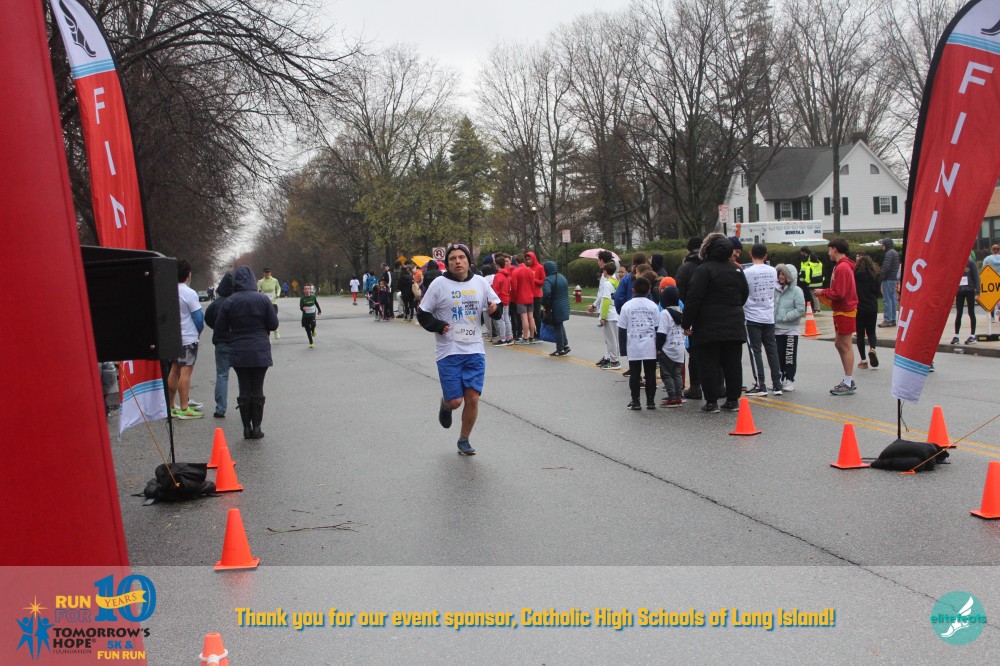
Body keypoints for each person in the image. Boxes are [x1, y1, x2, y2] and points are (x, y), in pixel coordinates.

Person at [417, 243, 501, 455]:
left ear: (468, 261)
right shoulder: (439, 284)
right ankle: (445, 405)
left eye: (461, 257)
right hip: (448, 351)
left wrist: (494, 310)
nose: (457, 261)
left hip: (475, 350)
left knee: (472, 398)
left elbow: (496, 306)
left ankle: (464, 440)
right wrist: (438, 325)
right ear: (447, 263)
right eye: (452, 258)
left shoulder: (480, 282)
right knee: (456, 401)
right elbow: (423, 313)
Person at [681, 234, 749, 413]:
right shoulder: (736, 270)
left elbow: (694, 298)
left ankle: (711, 401)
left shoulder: (704, 270)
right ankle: (732, 399)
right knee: (733, 363)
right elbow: (744, 294)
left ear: (707, 250)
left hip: (708, 325)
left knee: (709, 363)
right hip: (734, 323)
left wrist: (686, 323)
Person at [216, 266, 279, 439]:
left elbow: (220, 328)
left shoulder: (230, 301)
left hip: (239, 349)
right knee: (257, 387)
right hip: (260, 349)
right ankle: (257, 427)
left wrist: (232, 336)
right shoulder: (263, 299)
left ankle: (246, 428)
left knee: (244, 387)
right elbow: (273, 324)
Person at [814, 238, 858, 396]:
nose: (828, 253)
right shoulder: (841, 266)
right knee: (839, 344)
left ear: (835, 249)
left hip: (845, 310)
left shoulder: (842, 267)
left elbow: (840, 293)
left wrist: (823, 292)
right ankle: (848, 379)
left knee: (845, 345)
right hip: (841, 310)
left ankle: (848, 381)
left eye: (829, 249)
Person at [743, 243, 783, 397]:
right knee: (772, 350)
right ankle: (777, 384)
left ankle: (761, 385)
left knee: (756, 351)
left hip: (752, 315)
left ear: (750, 254)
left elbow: (743, 291)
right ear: (766, 256)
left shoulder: (747, 272)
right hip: (768, 315)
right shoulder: (772, 271)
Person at [167, 259, 205, 419]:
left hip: (173, 336)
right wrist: (198, 331)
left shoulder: (167, 291)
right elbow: (198, 317)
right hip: (188, 337)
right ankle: (184, 407)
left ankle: (171, 406)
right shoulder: (189, 293)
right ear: (188, 275)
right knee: (186, 371)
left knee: (174, 370)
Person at [618, 276, 659, 410]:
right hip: (650, 345)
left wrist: (623, 349)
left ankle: (636, 401)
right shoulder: (653, 306)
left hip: (633, 345)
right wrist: (659, 347)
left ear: (633, 290)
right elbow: (657, 328)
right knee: (650, 373)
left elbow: (622, 329)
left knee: (635, 374)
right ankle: (651, 402)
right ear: (649, 290)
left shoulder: (627, 306)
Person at [675, 237, 704, 400]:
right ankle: (719, 386)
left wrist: (685, 319)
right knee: (715, 353)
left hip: (693, 314)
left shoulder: (685, 268)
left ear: (689, 250)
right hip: (713, 314)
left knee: (694, 352)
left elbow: (680, 294)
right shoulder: (712, 265)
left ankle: (695, 386)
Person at [204, 272, 234, 418]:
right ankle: (245, 406)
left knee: (222, 375)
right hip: (238, 342)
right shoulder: (237, 302)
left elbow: (207, 319)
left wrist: (217, 328)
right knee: (243, 376)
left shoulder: (215, 304)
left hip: (221, 342)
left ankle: (220, 409)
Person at [773, 264, 805, 392]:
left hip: (791, 329)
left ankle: (789, 379)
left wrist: (785, 317)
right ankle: (779, 379)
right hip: (777, 329)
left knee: (789, 356)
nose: (781, 276)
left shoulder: (797, 291)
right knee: (778, 355)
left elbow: (800, 309)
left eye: (784, 274)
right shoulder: (775, 289)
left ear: (790, 276)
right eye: (779, 274)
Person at [589, 262, 621, 369]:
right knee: (614, 339)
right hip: (615, 313)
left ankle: (614, 362)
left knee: (610, 340)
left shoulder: (607, 284)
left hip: (609, 314)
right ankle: (613, 359)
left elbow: (606, 301)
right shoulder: (616, 282)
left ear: (605, 271)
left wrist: (603, 316)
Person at [657, 286, 685, 407]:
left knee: (666, 374)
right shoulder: (681, 311)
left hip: (667, 348)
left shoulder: (665, 313)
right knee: (677, 373)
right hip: (679, 348)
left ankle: (672, 397)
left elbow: (662, 333)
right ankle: (678, 396)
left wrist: (658, 348)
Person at [854, 254, 881, 369]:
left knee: (860, 334)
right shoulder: (874, 276)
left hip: (859, 307)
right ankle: (872, 348)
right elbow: (878, 293)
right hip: (872, 307)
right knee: (871, 332)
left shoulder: (855, 276)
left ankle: (863, 360)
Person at [541, 260, 571, 356]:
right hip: (565, 305)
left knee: (557, 327)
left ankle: (559, 349)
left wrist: (544, 304)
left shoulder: (548, 280)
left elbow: (547, 294)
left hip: (555, 307)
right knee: (560, 325)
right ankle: (565, 345)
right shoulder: (562, 277)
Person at [952, 253, 981, 345]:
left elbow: (976, 278)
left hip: (969, 290)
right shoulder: (957, 264)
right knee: (959, 313)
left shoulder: (971, 263)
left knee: (971, 312)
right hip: (960, 291)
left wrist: (978, 292)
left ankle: (972, 335)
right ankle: (956, 335)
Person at [510, 254, 537, 344]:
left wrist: (514, 297)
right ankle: (532, 336)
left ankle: (525, 337)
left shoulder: (516, 271)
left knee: (524, 317)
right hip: (530, 296)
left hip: (521, 297)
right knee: (531, 317)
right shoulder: (530, 271)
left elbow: (514, 287)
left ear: (516, 262)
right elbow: (532, 284)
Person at [492, 255, 514, 346]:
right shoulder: (507, 275)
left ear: (497, 265)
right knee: (507, 319)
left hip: (500, 299)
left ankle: (503, 338)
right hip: (506, 298)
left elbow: (495, 290)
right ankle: (509, 337)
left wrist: (493, 300)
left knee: (501, 320)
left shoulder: (498, 276)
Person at [878, 239, 900, 327]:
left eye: (883, 244)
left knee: (887, 299)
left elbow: (886, 267)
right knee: (893, 299)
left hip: (888, 279)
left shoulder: (889, 254)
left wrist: (881, 277)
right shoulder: (895, 253)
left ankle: (887, 320)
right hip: (893, 278)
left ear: (886, 245)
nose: (882, 246)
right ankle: (893, 319)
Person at [526, 251, 546, 339]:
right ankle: (532, 332)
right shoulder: (527, 268)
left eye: (529, 259)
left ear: (533, 258)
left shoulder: (540, 267)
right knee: (529, 315)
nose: (528, 261)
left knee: (536, 315)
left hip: (537, 295)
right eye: (527, 259)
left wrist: (534, 280)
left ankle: (539, 332)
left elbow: (543, 281)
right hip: (528, 295)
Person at [258, 267, 281, 339]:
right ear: (263, 273)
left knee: (274, 317)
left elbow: (279, 288)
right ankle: (268, 336)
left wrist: (278, 294)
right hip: (264, 302)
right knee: (266, 319)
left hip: (273, 302)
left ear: (270, 273)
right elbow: (257, 290)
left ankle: (276, 330)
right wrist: (260, 292)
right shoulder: (260, 282)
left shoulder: (274, 280)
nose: (267, 274)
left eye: (268, 272)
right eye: (266, 272)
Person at [799, 248, 824, 313]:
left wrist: (807, 282)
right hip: (819, 282)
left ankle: (814, 308)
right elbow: (822, 273)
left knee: (812, 296)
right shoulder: (820, 264)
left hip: (811, 283)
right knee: (815, 296)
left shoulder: (809, 265)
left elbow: (807, 276)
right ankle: (817, 308)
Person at [983, 244, 1000, 320]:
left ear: (992, 250)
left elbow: (984, 269)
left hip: (991, 280)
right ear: (999, 250)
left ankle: (992, 317)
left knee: (992, 298)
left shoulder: (987, 259)